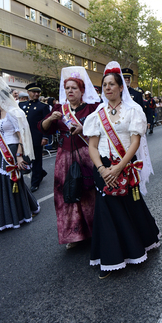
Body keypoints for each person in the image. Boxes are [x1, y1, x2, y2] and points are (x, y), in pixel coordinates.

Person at [83, 61, 159, 279]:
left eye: (111, 84)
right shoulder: (98, 114)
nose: (107, 88)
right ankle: (111, 257)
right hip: (104, 167)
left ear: (120, 87)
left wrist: (118, 168)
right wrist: (102, 169)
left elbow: (135, 142)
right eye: (104, 85)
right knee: (107, 211)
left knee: (130, 205)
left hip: (125, 164)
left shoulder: (133, 111)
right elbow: (92, 146)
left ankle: (139, 244)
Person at [40, 67, 100, 249]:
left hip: (86, 154)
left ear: (82, 90)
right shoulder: (59, 108)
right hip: (64, 156)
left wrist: (83, 128)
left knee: (89, 192)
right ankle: (74, 235)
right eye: (67, 88)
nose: (70, 91)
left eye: (74, 88)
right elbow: (43, 128)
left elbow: (101, 128)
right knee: (67, 193)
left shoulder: (92, 108)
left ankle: (94, 230)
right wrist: (51, 119)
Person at [0, 78, 40, 232]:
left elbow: (21, 135)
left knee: (10, 182)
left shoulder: (13, 112)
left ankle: (13, 216)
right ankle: (23, 208)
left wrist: (19, 154)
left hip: (10, 149)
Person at [20, 83, 50, 192]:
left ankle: (35, 182)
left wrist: (45, 137)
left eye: (38, 92)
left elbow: (47, 123)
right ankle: (40, 173)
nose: (36, 94)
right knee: (27, 159)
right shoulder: (21, 105)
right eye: (34, 92)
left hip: (37, 137)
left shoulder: (43, 106)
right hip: (24, 137)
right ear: (28, 93)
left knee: (36, 160)